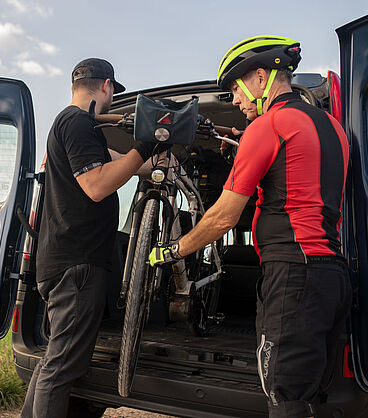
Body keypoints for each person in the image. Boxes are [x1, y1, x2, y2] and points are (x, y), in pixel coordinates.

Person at [150, 36, 351, 417]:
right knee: (313, 399)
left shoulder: (270, 124)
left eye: (236, 89)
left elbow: (223, 216)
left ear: (261, 77)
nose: (236, 101)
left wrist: (174, 251)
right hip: (331, 276)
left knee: (284, 398)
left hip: (292, 275)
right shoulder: (332, 128)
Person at [21, 58, 167, 418]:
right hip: (77, 265)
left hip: (64, 262)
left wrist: (159, 159)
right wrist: (145, 146)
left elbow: (120, 161)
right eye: (113, 91)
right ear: (107, 86)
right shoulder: (77, 122)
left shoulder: (76, 126)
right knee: (61, 368)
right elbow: (97, 185)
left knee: (55, 357)